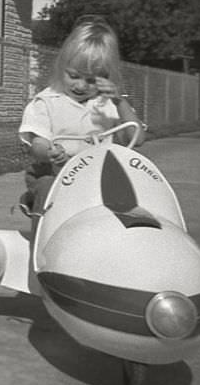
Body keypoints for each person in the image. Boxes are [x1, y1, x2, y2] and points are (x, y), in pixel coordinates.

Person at [17, 15, 145, 231]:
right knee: (48, 191)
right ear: (62, 67)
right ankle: (40, 250)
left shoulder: (108, 104)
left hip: (97, 179)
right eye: (74, 76)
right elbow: (37, 144)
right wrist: (49, 152)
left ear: (106, 77)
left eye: (91, 80)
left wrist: (119, 101)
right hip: (54, 175)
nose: (81, 85)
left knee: (136, 192)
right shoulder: (48, 101)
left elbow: (137, 138)